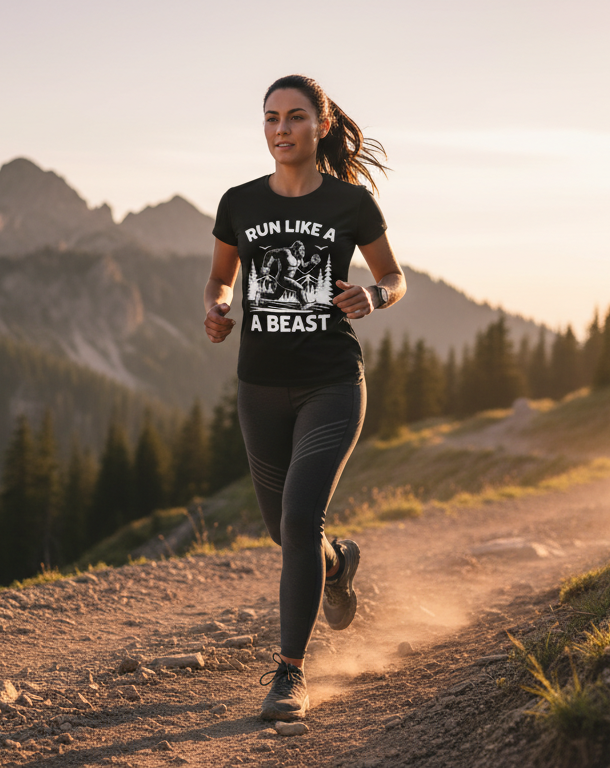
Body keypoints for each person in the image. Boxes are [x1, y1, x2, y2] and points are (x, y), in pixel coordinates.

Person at [203, 74, 406, 721]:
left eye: (293, 117)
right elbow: (219, 277)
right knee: (284, 531)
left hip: (332, 383)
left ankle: (289, 674)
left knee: (297, 521)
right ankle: (338, 563)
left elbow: (394, 276)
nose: (280, 129)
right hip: (259, 388)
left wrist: (373, 296)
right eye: (270, 118)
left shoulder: (350, 206)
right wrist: (217, 307)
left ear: (320, 126)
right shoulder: (239, 202)